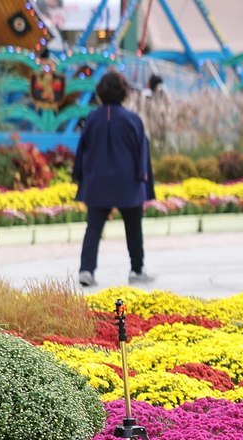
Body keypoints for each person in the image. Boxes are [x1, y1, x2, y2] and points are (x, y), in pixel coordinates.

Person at [73, 71, 155, 288]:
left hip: (97, 183)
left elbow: (81, 151)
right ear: (124, 92)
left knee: (93, 228)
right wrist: (144, 181)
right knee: (133, 227)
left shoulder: (91, 119)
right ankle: (137, 269)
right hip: (128, 183)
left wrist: (79, 177)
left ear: (100, 92)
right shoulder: (133, 120)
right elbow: (142, 153)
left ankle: (86, 270)